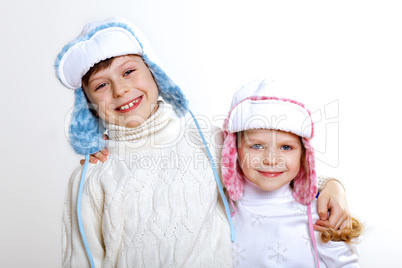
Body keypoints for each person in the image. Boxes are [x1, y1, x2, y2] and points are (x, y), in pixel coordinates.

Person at [55, 17, 350, 267]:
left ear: (156, 74)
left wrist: (333, 186)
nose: (120, 89)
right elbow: (82, 258)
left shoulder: (210, 143)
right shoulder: (92, 175)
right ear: (88, 103)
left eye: (129, 71)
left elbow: (273, 171)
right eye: (101, 85)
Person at [221, 79, 363, 267]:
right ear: (233, 149)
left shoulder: (318, 216)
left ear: (305, 154)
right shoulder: (220, 208)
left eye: (286, 147)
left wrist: (333, 184)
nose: (271, 159)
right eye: (256, 145)